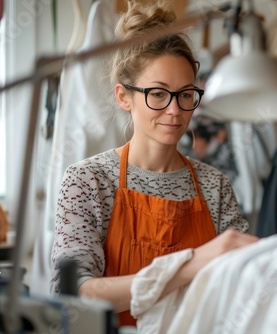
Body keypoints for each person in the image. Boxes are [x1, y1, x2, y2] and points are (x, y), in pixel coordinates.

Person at [50, 2, 258, 327]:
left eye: (186, 94)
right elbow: (76, 294)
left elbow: (241, 284)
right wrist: (189, 265)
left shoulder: (214, 186)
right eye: (158, 95)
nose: (175, 110)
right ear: (124, 97)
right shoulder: (89, 180)